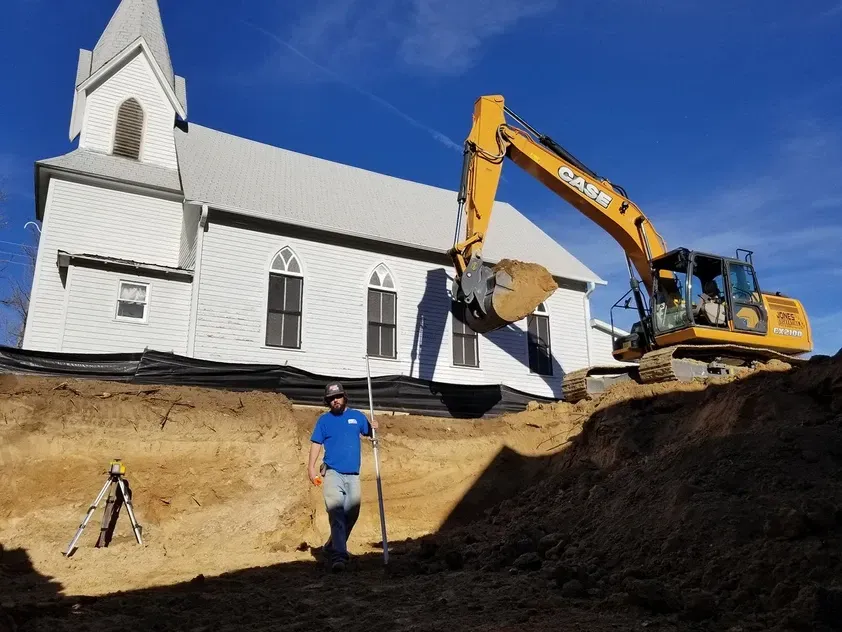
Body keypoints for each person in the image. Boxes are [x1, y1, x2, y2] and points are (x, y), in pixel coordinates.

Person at [308, 381, 378, 572]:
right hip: (332, 473)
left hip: (353, 475)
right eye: (331, 399)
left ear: (344, 397)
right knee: (336, 513)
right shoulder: (324, 421)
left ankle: (331, 546)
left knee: (352, 513)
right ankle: (339, 556)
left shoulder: (357, 417)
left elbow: (369, 432)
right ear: (327, 402)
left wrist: (374, 428)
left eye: (337, 397)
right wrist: (311, 468)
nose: (335, 401)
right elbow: (316, 444)